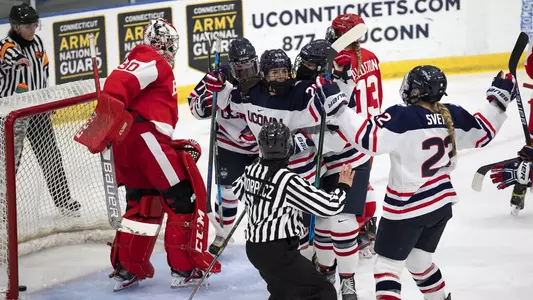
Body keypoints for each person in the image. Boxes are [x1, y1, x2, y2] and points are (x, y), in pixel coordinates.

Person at [320, 65, 516, 299]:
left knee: (387, 268)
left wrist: (339, 107)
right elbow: (483, 132)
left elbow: (367, 139)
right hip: (440, 207)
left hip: (407, 210)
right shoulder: (450, 114)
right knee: (419, 261)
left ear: (416, 90)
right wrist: (497, 101)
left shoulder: (402, 117)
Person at [75, 18, 221, 291]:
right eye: (167, 43)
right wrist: (104, 121)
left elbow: (121, 86)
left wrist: (108, 126)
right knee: (181, 197)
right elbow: (118, 84)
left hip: (133, 143)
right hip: (147, 140)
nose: (169, 49)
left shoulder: (143, 58)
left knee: (143, 202)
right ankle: (185, 268)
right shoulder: (151, 58)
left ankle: (127, 269)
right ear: (160, 43)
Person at [232, 121, 354, 300]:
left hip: (255, 249)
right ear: (288, 147)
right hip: (278, 252)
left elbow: (238, 190)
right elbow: (329, 206)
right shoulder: (288, 180)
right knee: (323, 292)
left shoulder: (251, 170)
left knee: (284, 293)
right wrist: (343, 187)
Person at [0, 3, 80, 216]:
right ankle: (2, 206)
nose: (33, 28)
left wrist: (47, 101)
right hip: (12, 117)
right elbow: (9, 57)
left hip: (37, 112)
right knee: (8, 164)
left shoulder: (37, 43)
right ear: (16, 26)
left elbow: (43, 74)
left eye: (35, 24)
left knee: (51, 156)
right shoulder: (6, 46)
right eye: (28, 25)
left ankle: (63, 200)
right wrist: (19, 60)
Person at [188, 38, 260, 255]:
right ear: (233, 67)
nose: (247, 73)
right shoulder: (218, 76)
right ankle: (223, 232)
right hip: (229, 144)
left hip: (261, 146)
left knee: (265, 193)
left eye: (251, 67)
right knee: (227, 193)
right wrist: (208, 103)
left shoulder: (264, 74)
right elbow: (194, 105)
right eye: (242, 69)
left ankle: (264, 234)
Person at [327, 12, 384, 261]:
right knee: (364, 182)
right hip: (369, 132)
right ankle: (366, 227)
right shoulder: (371, 57)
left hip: (347, 136)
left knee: (347, 187)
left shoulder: (337, 62)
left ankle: (354, 232)